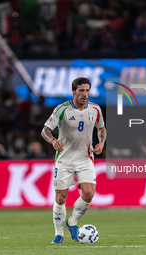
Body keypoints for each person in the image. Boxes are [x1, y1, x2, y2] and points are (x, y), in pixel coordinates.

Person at [41, 77, 106, 244]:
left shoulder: (95, 109)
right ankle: (58, 233)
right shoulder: (62, 109)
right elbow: (45, 130)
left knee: (89, 194)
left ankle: (72, 223)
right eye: (81, 91)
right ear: (74, 92)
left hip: (85, 158)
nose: (85, 94)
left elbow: (101, 128)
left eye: (87, 90)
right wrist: (53, 141)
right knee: (61, 198)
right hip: (65, 159)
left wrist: (101, 143)